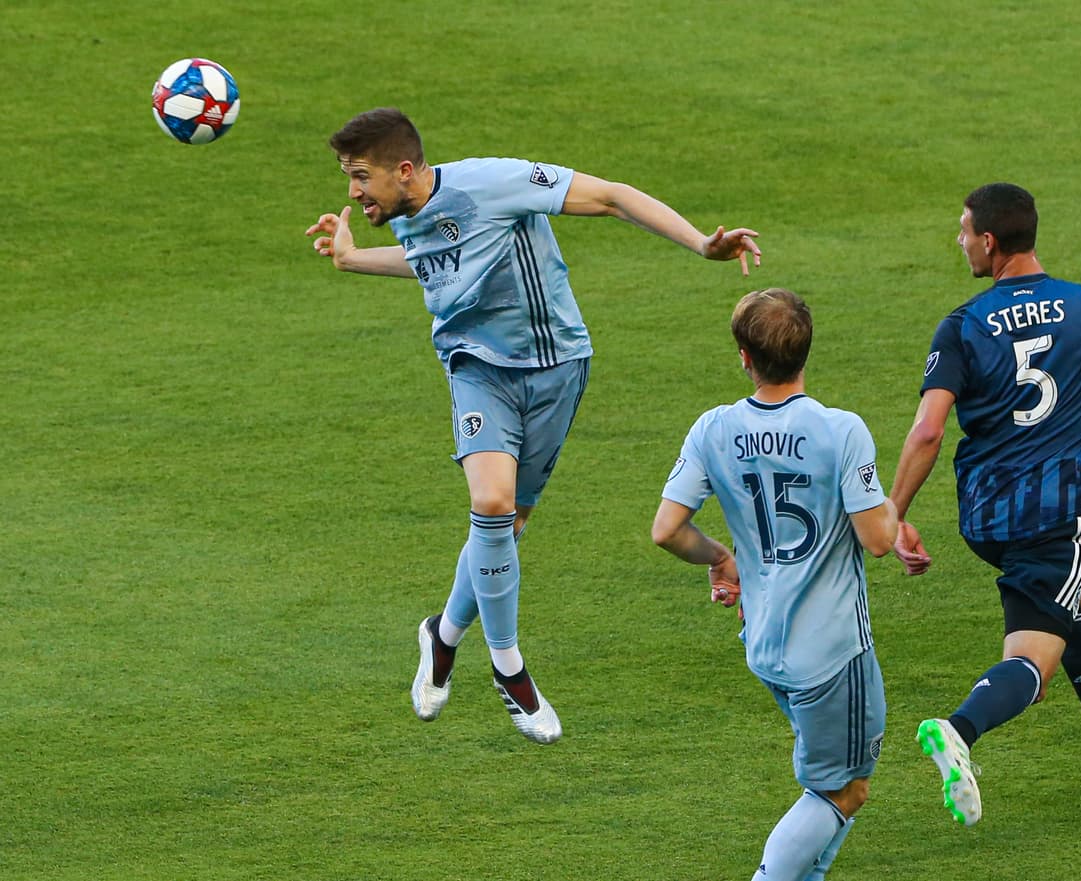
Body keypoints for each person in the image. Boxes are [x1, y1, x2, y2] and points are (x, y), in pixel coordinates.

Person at [306, 108, 761, 745]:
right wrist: (353, 260)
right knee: (490, 504)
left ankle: (443, 636)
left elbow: (609, 197)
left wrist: (701, 245)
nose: (352, 192)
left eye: (361, 177)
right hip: (476, 369)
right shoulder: (408, 213)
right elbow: (433, 260)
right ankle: (510, 670)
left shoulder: (493, 183)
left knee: (507, 525)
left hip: (557, 369)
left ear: (403, 170)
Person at [888, 183, 1081, 826]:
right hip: (1054, 512)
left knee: (1075, 599)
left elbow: (928, 430)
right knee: (1033, 657)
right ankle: (960, 729)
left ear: (989, 241)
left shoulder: (961, 324)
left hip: (984, 515)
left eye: (962, 231)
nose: (959, 242)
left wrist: (895, 513)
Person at [653, 288, 897, 881]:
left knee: (833, 781)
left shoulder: (713, 429)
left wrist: (721, 557)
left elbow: (667, 530)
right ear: (806, 350)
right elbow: (879, 538)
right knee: (843, 791)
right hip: (833, 652)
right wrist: (892, 506)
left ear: (744, 356)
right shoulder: (841, 431)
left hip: (764, 644)